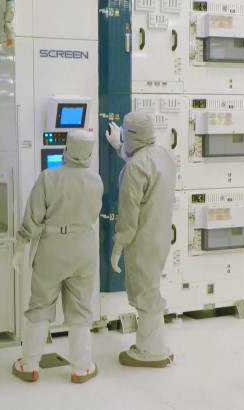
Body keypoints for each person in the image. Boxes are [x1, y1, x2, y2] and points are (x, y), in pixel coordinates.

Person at [12, 130, 103, 383]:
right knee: (81, 309)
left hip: (52, 248)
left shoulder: (48, 178)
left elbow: (32, 218)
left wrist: (20, 247)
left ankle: (29, 365)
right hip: (85, 248)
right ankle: (82, 368)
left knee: (41, 305)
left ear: (67, 149)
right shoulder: (96, 180)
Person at [105, 111, 177, 368]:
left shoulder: (133, 169)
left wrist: (118, 246)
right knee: (151, 289)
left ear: (131, 134)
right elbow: (144, 162)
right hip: (161, 237)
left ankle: (150, 352)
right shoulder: (165, 155)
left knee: (144, 294)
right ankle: (159, 344)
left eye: (124, 133)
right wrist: (119, 146)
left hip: (142, 240)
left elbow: (128, 215)